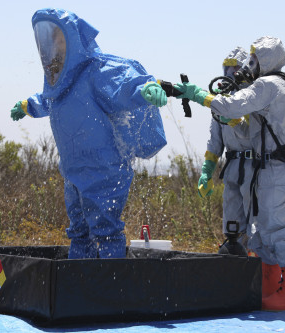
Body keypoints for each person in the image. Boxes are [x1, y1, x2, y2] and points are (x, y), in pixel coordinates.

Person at [10, 8, 167, 259]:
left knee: (105, 229)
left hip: (103, 168)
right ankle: (78, 283)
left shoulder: (96, 71)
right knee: (79, 229)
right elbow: (48, 100)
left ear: (73, 38)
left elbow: (122, 85)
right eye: (48, 39)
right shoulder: (59, 81)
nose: (52, 44)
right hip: (73, 170)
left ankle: (109, 287)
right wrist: (28, 105)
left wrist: (144, 90)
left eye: (58, 37)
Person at [172, 36, 285, 311]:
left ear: (266, 61)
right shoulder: (273, 87)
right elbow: (237, 132)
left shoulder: (268, 85)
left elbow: (231, 107)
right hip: (268, 170)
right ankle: (269, 287)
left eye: (253, 60)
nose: (247, 67)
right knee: (263, 233)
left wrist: (197, 94)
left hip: (278, 170)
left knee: (279, 231)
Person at [198, 46, 253, 255]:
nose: (230, 74)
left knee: (255, 223)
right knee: (231, 223)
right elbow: (215, 143)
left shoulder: (252, 98)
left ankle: (260, 272)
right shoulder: (220, 101)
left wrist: (235, 121)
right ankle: (234, 262)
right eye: (227, 69)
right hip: (232, 169)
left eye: (235, 68)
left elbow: (253, 135)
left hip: (254, 168)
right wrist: (206, 171)